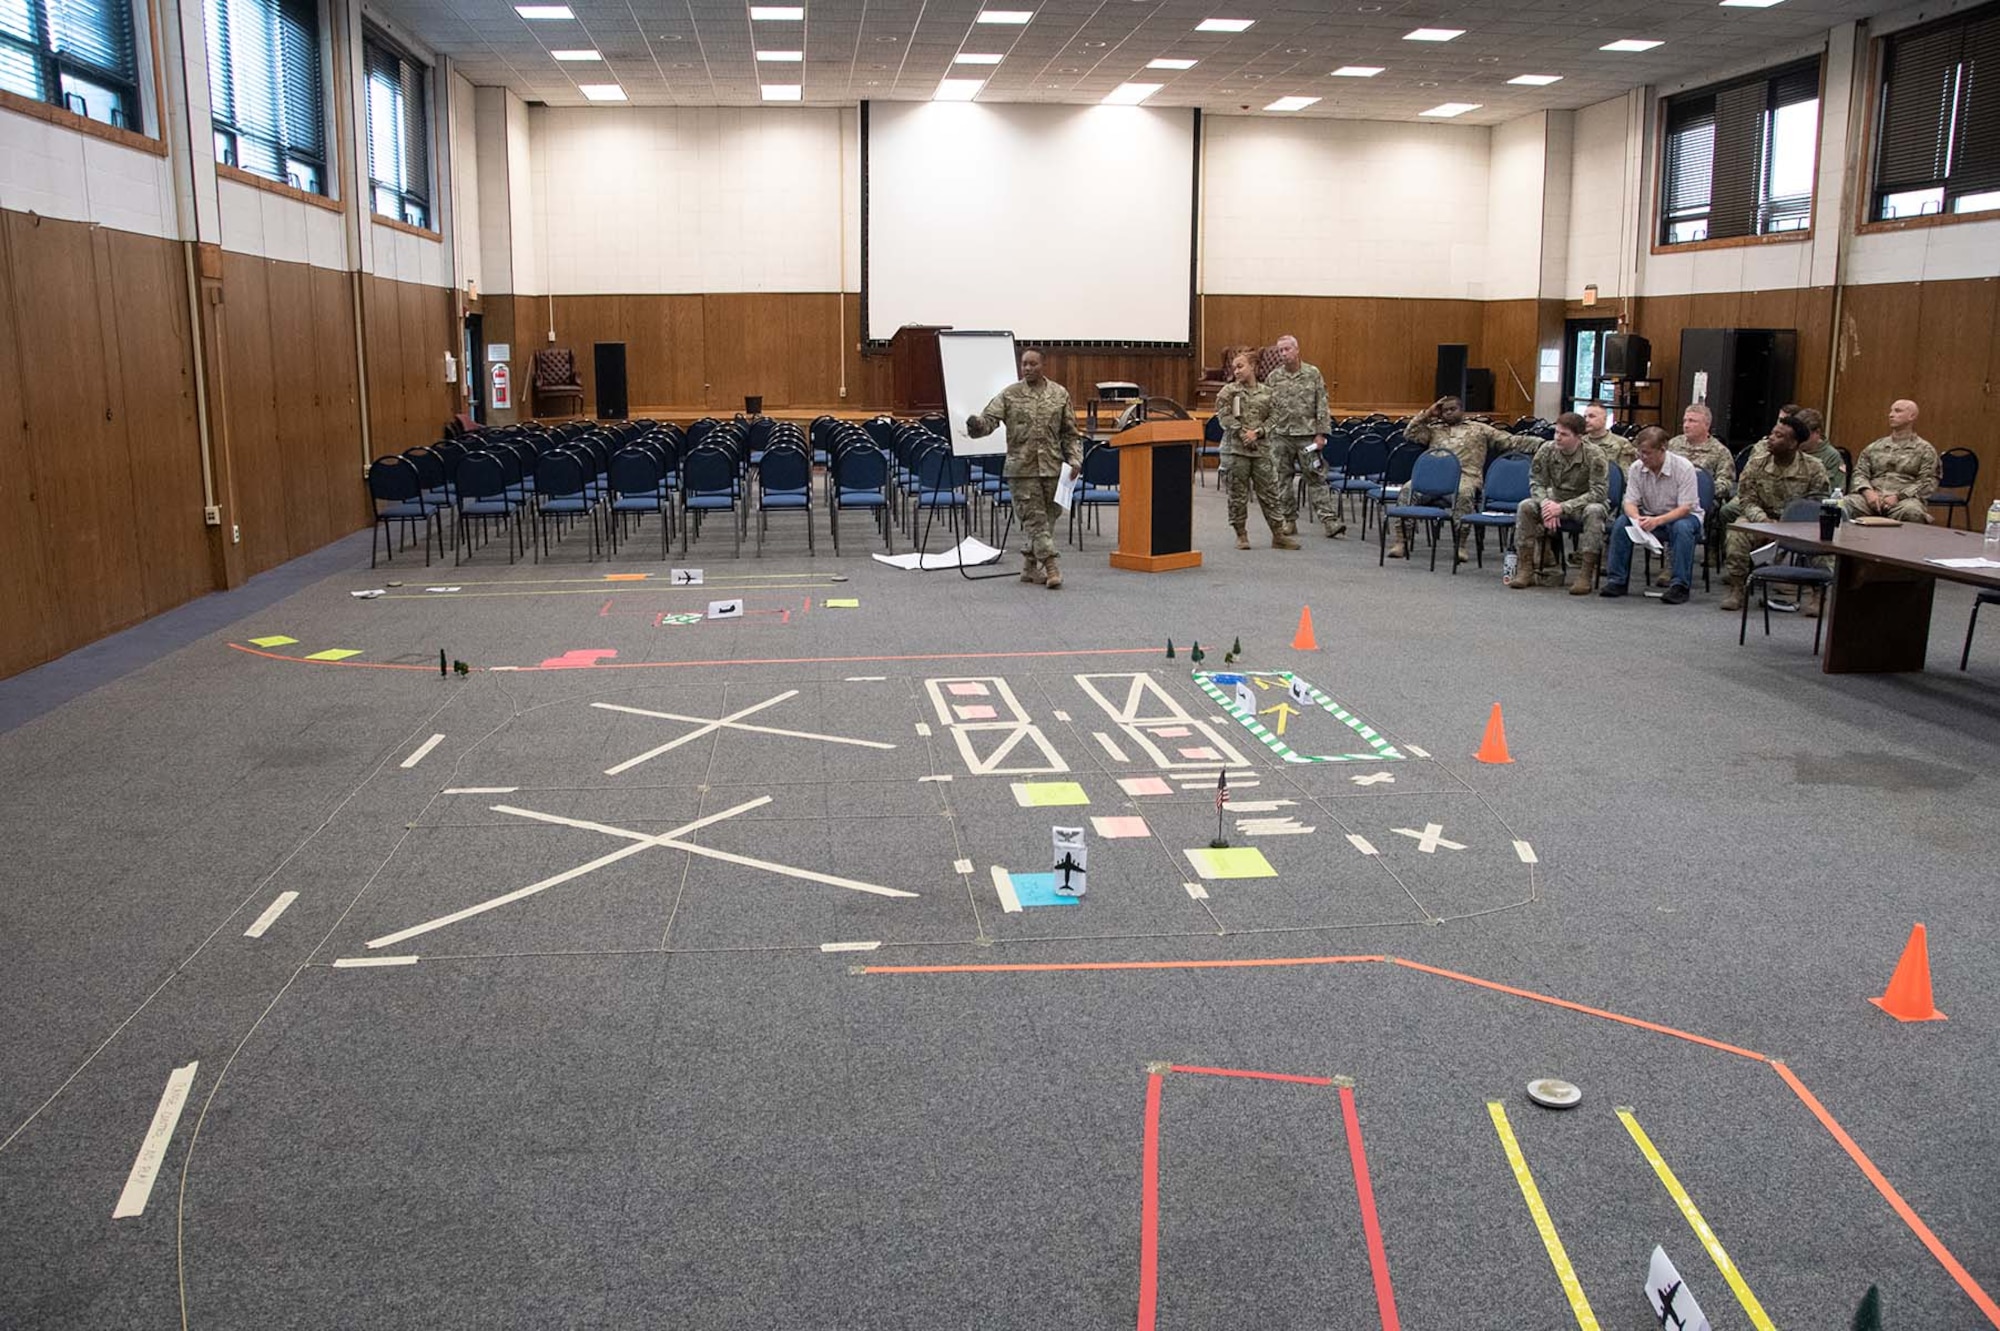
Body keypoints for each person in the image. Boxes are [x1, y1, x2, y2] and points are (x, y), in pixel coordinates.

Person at [966, 347, 1084, 589]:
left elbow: (1070, 433)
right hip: (1021, 469)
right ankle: (1051, 567)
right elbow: (989, 420)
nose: (1028, 368)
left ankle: (1029, 568)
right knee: (1035, 521)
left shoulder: (1059, 394)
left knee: (1048, 519)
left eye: (1033, 364)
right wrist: (976, 425)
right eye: (1024, 364)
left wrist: (1074, 459)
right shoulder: (1010, 394)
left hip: (1052, 467)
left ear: (1043, 365)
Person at [1395, 397, 1539, 562]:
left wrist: (1542, 444)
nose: (1448, 413)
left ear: (1462, 409)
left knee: (1463, 493)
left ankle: (1460, 544)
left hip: (1464, 477)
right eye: (1444, 410)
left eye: (1453, 409)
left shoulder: (1479, 429)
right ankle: (1402, 541)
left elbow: (1510, 442)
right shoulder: (1434, 430)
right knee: (1407, 489)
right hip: (1434, 477)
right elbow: (1410, 434)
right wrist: (1428, 414)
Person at [1721, 414, 1829, 612]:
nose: (1771, 438)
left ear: (1793, 443)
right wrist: (1763, 522)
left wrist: (1788, 524)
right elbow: (1747, 499)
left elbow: (1817, 502)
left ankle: (1818, 595)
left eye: (1779, 436)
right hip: (1763, 518)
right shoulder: (1757, 463)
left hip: (1798, 524)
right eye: (1772, 433)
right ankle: (1738, 588)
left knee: (1822, 536)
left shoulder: (1813, 468)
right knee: (1738, 532)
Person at [1600, 424, 1702, 604]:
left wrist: (1657, 521)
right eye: (1640, 452)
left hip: (1681, 517)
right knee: (1622, 524)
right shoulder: (1636, 468)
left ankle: (1680, 586)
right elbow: (1630, 501)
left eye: (1647, 453)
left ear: (1662, 450)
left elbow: (1686, 507)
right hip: (1649, 515)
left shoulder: (1684, 467)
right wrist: (1636, 518)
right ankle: (1617, 581)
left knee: (1682, 527)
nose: (1642, 457)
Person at [1510, 411, 1609, 594]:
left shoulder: (1595, 455)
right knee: (1526, 506)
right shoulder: (1547, 449)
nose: (1558, 437)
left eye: (1564, 434)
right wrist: (1546, 504)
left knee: (1595, 511)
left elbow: (1598, 492)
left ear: (1579, 437)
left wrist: (1562, 508)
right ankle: (1525, 568)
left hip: (1582, 504)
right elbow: (1536, 481)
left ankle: (1585, 574)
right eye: (1556, 432)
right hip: (1554, 500)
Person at [1263, 335, 1345, 539]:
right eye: (1280, 351)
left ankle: (1329, 522)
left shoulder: (1312, 374)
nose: (1283, 354)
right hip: (1281, 436)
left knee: (1316, 477)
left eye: (1287, 349)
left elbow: (1322, 405)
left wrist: (1321, 434)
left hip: (1307, 436)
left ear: (1297, 350)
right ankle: (1289, 521)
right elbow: (1265, 407)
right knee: (1282, 480)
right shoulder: (1273, 377)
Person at [1213, 350, 1296, 550]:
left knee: (1270, 494)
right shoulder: (1228, 391)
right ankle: (1241, 535)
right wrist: (1244, 434)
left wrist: (1258, 432)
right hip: (1237, 451)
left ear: (1253, 367)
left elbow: (1275, 417)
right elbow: (1224, 417)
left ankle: (1278, 535)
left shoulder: (1268, 392)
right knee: (1237, 495)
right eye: (1234, 367)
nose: (1236, 371)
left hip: (1261, 451)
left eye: (1240, 366)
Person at [1842, 399, 1938, 522]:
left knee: (1912, 512)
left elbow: (1927, 481)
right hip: (1871, 498)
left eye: (1898, 411)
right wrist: (1867, 492)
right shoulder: (1875, 447)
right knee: (1842, 505)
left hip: (1904, 501)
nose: (1891, 415)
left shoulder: (1925, 450)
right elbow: (1860, 473)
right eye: (1891, 411)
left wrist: (1898, 497)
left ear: (1912, 416)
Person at [1667, 404, 1737, 501]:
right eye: (1685, 421)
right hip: (1670, 496)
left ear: (1706, 425)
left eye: (1692, 421)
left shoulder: (1720, 451)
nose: (1686, 425)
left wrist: (1700, 488)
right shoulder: (1673, 444)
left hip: (1702, 500)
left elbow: (1726, 484)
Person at [1583, 402, 1635, 471]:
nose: (1586, 420)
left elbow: (1624, 475)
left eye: (1592, 416)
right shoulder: (1579, 442)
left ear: (1604, 419)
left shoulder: (1622, 444)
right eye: (1585, 417)